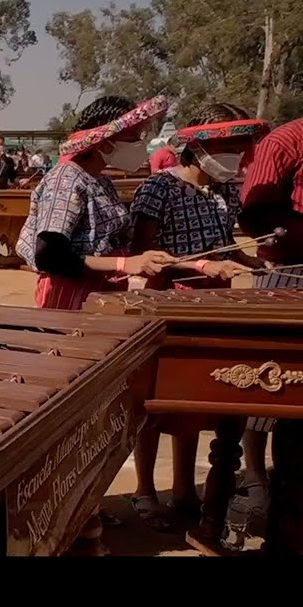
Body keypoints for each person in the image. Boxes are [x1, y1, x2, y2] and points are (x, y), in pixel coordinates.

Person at [128, 103, 267, 531]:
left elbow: (223, 245)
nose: (236, 157)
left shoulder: (223, 190)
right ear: (199, 147)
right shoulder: (159, 189)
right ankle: (145, 491)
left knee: (193, 401)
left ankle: (184, 488)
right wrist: (201, 268)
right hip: (169, 303)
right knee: (155, 404)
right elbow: (144, 257)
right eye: (227, 148)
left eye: (240, 148)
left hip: (215, 302)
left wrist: (252, 261)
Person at [17, 95, 175, 311]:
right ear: (104, 141)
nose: (139, 145)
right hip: (72, 295)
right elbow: (50, 255)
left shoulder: (101, 180)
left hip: (101, 291)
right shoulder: (67, 178)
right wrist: (123, 264)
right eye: (132, 138)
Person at [237, 115, 303, 520]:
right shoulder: (285, 141)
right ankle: (257, 480)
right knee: (266, 388)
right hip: (291, 274)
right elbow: (255, 218)